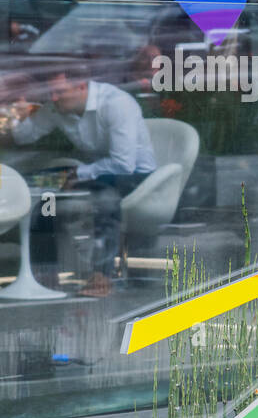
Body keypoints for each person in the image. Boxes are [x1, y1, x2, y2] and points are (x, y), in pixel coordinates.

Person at [9, 64, 157, 296]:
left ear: (81, 86)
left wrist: (78, 174)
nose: (54, 98)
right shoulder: (57, 107)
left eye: (59, 92)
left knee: (104, 198)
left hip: (134, 175)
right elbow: (23, 136)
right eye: (51, 92)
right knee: (41, 192)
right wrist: (19, 113)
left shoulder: (116, 104)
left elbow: (124, 164)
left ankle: (102, 276)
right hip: (90, 173)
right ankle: (46, 274)